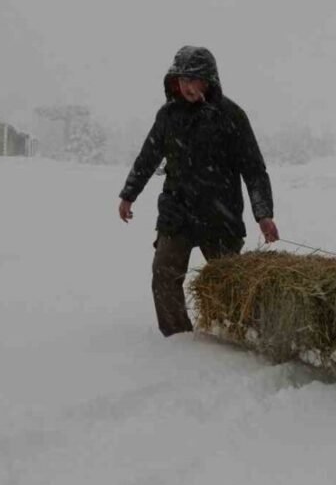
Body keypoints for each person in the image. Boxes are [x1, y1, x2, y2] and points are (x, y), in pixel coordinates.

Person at [118, 45, 279, 337]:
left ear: (209, 80)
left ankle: (236, 336)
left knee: (230, 281)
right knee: (164, 275)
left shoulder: (231, 115)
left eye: (193, 79)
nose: (187, 86)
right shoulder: (167, 116)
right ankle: (178, 339)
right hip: (176, 213)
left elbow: (254, 169)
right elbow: (148, 158)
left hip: (220, 215)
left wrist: (263, 213)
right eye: (181, 79)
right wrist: (129, 194)